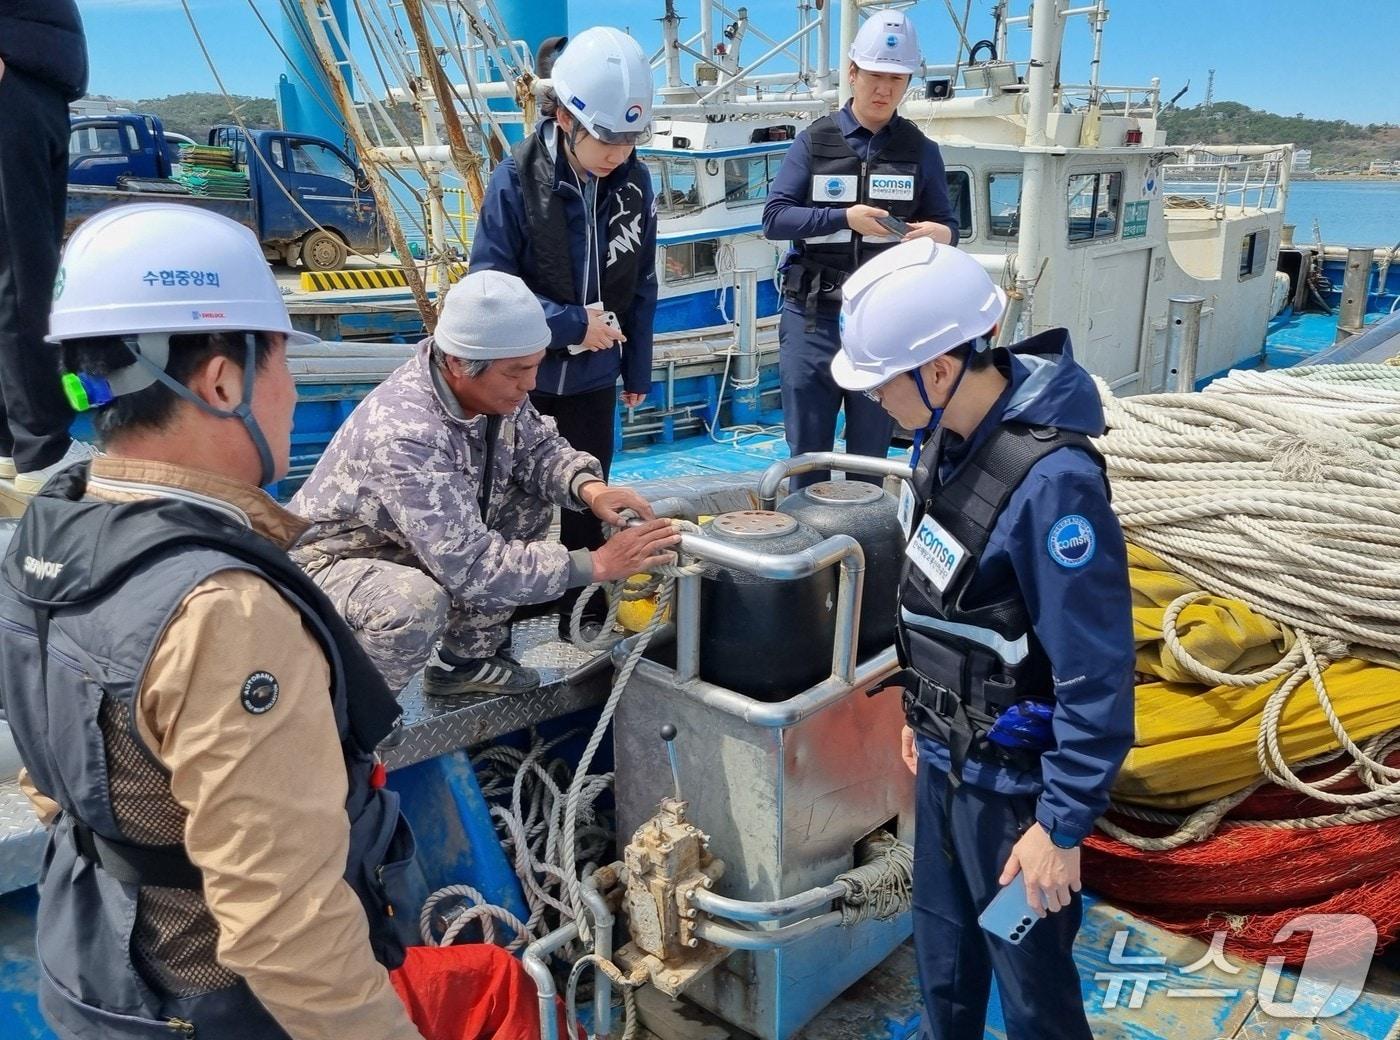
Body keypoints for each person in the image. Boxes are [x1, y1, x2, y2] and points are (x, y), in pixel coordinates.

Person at [0, 204, 556, 1039]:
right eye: (282, 361)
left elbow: (49, 778)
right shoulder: (222, 609)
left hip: (98, 974)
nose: (293, 390)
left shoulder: (52, 535)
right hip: (217, 1004)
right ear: (221, 382)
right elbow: (283, 931)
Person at [831, 239, 1135, 1040]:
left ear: (937, 371)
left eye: (879, 383)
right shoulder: (942, 442)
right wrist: (920, 717)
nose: (872, 403)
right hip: (943, 767)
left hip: (1015, 803)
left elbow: (1095, 673)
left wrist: (1060, 827)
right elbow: (938, 596)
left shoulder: (1055, 483)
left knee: (1028, 987)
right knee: (945, 966)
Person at [291, 269, 679, 698]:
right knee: (413, 602)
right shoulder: (405, 432)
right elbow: (473, 567)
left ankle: (464, 663)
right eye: (517, 372)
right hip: (328, 568)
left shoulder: (491, 387)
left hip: (407, 543)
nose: (530, 384)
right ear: (458, 363)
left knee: (526, 497)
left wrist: (591, 489)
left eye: (536, 367)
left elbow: (538, 450)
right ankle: (354, 720)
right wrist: (599, 564)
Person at [469, 26, 659, 638]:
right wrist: (573, 326)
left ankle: (583, 614)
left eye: (631, 138)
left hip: (596, 379)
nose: (619, 152)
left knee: (589, 494)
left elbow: (645, 279)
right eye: (607, 136)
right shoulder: (514, 181)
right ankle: (496, 619)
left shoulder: (635, 182)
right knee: (504, 498)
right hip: (526, 381)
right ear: (564, 115)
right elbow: (489, 290)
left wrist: (636, 368)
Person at [763, 9, 959, 489]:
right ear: (853, 73)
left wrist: (940, 235)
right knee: (806, 459)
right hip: (813, 320)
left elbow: (950, 228)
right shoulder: (814, 141)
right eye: (875, 76)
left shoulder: (921, 150)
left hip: (884, 328)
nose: (884, 89)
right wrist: (842, 217)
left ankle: (861, 558)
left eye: (896, 79)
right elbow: (774, 219)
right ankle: (809, 560)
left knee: (870, 459)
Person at [0, 0, 94, 493]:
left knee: (17, 269)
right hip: (14, 81)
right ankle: (43, 450)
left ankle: (9, 444)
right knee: (22, 270)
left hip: (34, 81)